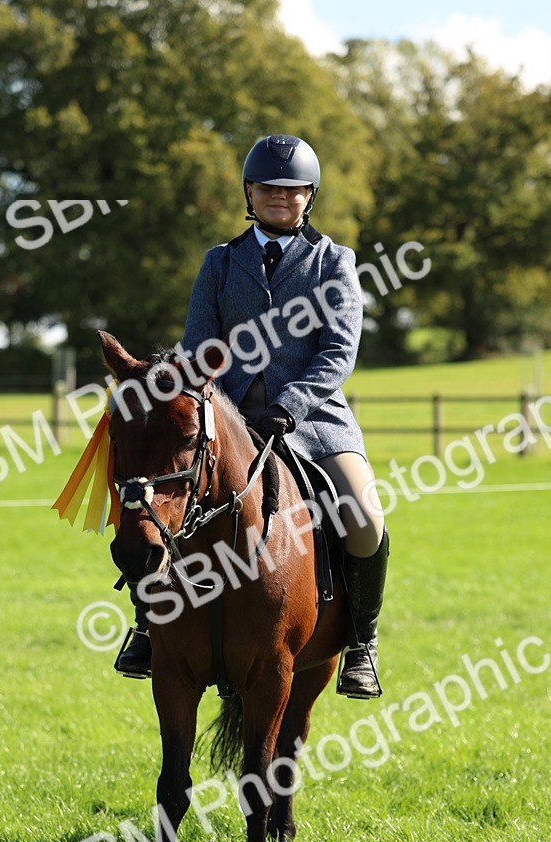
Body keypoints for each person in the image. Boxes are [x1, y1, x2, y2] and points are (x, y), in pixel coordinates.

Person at [115, 133, 388, 698]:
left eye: (293, 190)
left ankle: (362, 641)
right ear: (250, 192)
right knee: (161, 506)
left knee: (365, 517)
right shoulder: (220, 263)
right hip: (227, 421)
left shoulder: (334, 262)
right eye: (268, 188)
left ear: (309, 195)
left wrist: (288, 408)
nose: (280, 197)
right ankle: (147, 626)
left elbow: (338, 352)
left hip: (313, 422)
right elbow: (197, 347)